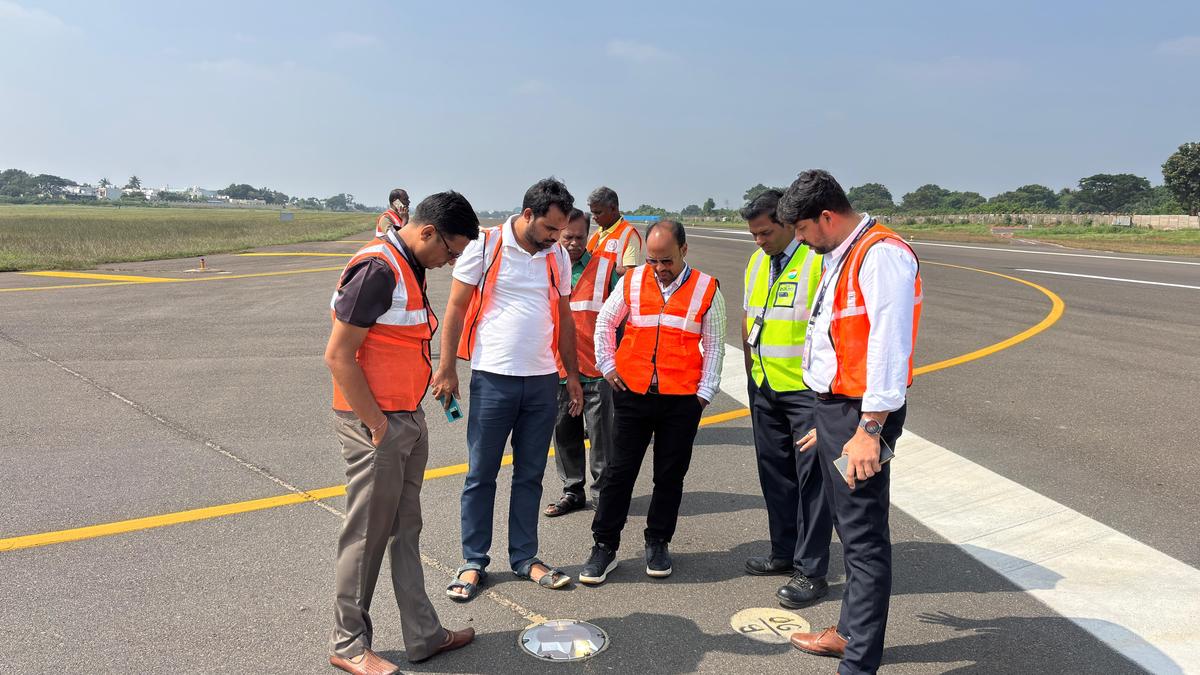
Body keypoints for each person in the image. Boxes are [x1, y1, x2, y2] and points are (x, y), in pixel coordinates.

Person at [324, 191, 480, 675]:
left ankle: (423, 634)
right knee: (366, 535)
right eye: (450, 252)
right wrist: (377, 425)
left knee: (405, 531)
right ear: (428, 231)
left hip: (405, 418)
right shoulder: (379, 268)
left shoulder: (409, 265)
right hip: (377, 425)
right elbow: (338, 355)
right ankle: (348, 644)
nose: (450, 262)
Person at [778, 170, 923, 675]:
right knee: (848, 529)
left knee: (862, 539)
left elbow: (888, 346)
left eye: (801, 229)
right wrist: (830, 418)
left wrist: (868, 429)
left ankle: (858, 663)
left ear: (826, 216)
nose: (798, 239)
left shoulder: (881, 255)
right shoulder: (843, 253)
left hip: (863, 415)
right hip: (840, 410)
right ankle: (848, 634)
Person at [432, 178, 584, 601]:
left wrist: (571, 374)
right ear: (529, 215)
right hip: (493, 378)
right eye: (551, 230)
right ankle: (473, 561)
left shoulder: (556, 258)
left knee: (531, 475)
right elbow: (457, 307)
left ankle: (525, 557)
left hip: (541, 381)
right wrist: (446, 369)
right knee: (481, 474)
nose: (558, 239)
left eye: (561, 232)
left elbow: (565, 319)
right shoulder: (486, 245)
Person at [579, 220, 726, 584]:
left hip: (681, 400)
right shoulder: (631, 281)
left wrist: (704, 394)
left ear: (684, 251)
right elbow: (605, 323)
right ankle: (604, 546)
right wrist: (608, 365)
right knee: (619, 473)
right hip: (633, 394)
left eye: (667, 261)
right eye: (653, 261)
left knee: (669, 476)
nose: (659, 269)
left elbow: (715, 345)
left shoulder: (707, 289)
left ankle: (658, 541)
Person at [739, 189, 833, 609]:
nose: (759, 241)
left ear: (786, 224)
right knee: (775, 474)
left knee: (813, 481)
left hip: (805, 392)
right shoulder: (758, 262)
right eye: (753, 234)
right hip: (765, 387)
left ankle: (811, 570)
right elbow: (749, 322)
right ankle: (783, 551)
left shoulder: (815, 262)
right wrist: (751, 379)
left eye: (764, 233)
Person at [544, 208, 620, 517]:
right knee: (564, 435)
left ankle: (604, 495)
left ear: (588, 235)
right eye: (567, 237)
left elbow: (622, 318)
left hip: (596, 371)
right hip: (557, 370)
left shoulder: (605, 269)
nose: (574, 243)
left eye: (579, 237)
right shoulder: (546, 267)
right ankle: (572, 491)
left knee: (602, 439)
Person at [587, 186, 642, 276]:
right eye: (592, 213)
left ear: (613, 209)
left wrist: (602, 268)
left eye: (598, 212)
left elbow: (630, 273)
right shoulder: (595, 234)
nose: (594, 217)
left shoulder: (629, 235)